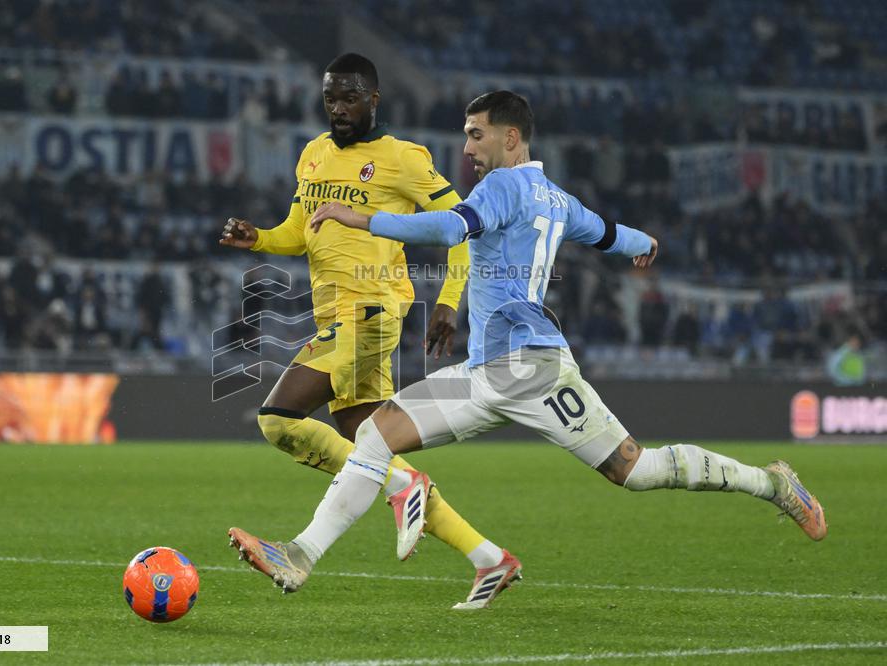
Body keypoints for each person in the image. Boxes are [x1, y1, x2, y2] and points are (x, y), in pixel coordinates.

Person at [229, 91, 827, 608]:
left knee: (635, 470)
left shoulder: (501, 188)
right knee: (377, 433)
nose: (467, 148)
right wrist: (645, 243)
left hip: (535, 371)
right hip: (488, 372)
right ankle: (299, 555)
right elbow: (611, 235)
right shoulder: (557, 199)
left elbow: (446, 229)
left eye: (476, 134)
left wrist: (365, 221)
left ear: (510, 138)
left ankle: (772, 484)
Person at [220, 54, 516, 607]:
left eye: (350, 97)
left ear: (374, 100)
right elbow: (298, 231)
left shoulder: (402, 159)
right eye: (331, 97)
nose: (338, 108)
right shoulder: (312, 155)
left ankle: (401, 489)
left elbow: (465, 231)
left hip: (371, 311)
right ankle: (488, 557)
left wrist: (450, 302)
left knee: (278, 420)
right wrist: (258, 238)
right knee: (370, 444)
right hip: (336, 317)